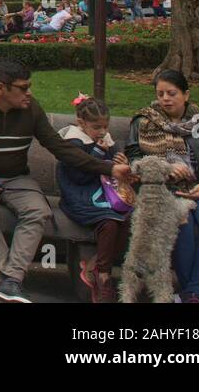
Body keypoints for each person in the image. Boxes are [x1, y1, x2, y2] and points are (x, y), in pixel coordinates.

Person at [0, 59, 132, 303]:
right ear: (1, 88)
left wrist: (109, 168)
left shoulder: (31, 109)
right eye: (23, 87)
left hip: (17, 179)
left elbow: (59, 147)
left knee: (38, 211)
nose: (29, 92)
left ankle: (10, 281)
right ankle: (8, 280)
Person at [125, 69, 199, 303]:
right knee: (180, 225)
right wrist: (165, 167)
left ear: (186, 95)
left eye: (172, 93)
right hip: (163, 191)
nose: (165, 98)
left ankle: (193, 294)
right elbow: (133, 158)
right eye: (161, 93)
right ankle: (192, 293)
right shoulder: (143, 121)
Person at [56, 95, 132, 303]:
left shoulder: (104, 139)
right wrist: (99, 152)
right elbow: (78, 176)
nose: (102, 131)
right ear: (81, 123)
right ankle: (104, 277)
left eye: (105, 126)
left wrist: (120, 159)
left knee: (127, 221)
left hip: (104, 194)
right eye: (96, 127)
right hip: (79, 195)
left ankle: (93, 267)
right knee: (109, 223)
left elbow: (114, 163)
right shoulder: (72, 142)